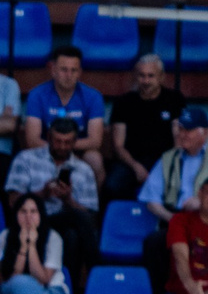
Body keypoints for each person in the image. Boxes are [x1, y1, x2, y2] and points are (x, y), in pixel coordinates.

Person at [8, 113, 99, 268]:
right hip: (33, 222)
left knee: (72, 235)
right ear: (49, 137)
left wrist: (68, 199)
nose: (62, 146)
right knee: (76, 219)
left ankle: (72, 283)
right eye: (58, 141)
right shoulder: (26, 159)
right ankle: (97, 269)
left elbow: (91, 217)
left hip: (65, 224)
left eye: (67, 142)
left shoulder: (84, 170)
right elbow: (13, 202)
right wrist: (42, 194)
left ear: (75, 142)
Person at [106, 54, 182, 204]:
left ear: (161, 77)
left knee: (176, 186)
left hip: (164, 161)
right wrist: (136, 167)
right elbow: (118, 146)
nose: (146, 81)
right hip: (130, 161)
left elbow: (178, 139)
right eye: (142, 76)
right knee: (112, 186)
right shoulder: (123, 102)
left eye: (151, 76)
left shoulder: (174, 100)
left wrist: (165, 166)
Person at [22, 45, 106, 176]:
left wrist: (66, 150)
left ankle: (92, 191)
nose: (69, 75)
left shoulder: (93, 96)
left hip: (79, 151)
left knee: (94, 159)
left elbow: (95, 141)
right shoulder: (37, 95)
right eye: (64, 69)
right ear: (53, 70)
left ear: (80, 72)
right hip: (46, 150)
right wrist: (59, 150)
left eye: (74, 70)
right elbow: (32, 140)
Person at [1, 190, 67, 294]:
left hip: (50, 292)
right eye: (23, 211)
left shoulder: (53, 238)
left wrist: (32, 246)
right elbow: (10, 279)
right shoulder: (4, 237)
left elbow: (44, 279)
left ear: (40, 214)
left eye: (33, 211)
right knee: (20, 281)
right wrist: (23, 247)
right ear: (16, 214)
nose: (28, 216)